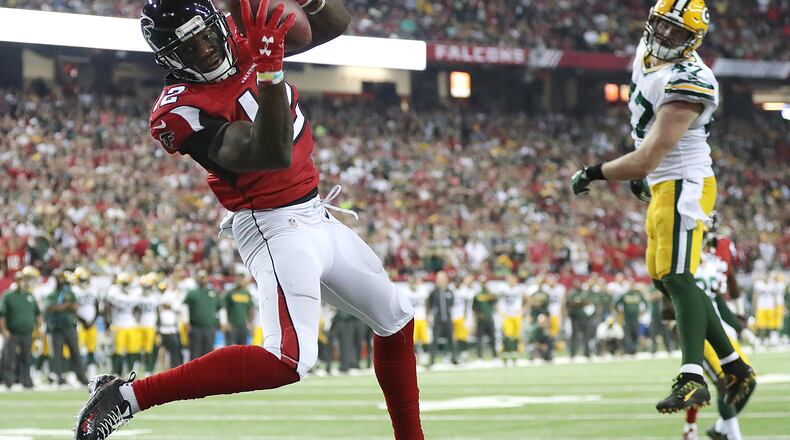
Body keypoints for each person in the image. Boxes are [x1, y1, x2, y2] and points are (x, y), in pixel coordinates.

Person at [75, 1, 422, 439]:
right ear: (168, 58)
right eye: (188, 47)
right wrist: (270, 67)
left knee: (395, 318)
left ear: (217, 26)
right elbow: (270, 154)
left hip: (316, 213)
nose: (203, 51)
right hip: (272, 225)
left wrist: (305, 10)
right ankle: (127, 397)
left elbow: (335, 25)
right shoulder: (179, 111)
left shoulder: (242, 46)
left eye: (204, 36)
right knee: (289, 359)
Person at [571, 0, 754, 413]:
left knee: (677, 275)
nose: (668, 36)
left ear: (695, 41)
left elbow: (647, 157)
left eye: (679, 32)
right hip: (662, 183)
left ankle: (693, 377)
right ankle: (735, 367)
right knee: (665, 279)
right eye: (664, 26)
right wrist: (643, 176)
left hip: (683, 181)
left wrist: (593, 172)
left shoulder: (691, 78)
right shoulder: (647, 52)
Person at [683, 242, 755, 440]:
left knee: (748, 379)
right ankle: (733, 435)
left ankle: (721, 428)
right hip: (698, 331)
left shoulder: (712, 263)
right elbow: (670, 304)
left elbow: (719, 302)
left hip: (719, 327)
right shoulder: (679, 264)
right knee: (726, 380)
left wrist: (742, 328)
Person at [46, 270, 90, 386]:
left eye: (62, 278)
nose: (61, 280)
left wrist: (64, 306)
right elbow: (51, 308)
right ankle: (59, 377)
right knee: (58, 354)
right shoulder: (52, 294)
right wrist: (66, 305)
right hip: (57, 327)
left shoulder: (70, 292)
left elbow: (75, 306)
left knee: (75, 352)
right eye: (58, 278)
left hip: (70, 326)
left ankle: (81, 376)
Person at [0, 266, 42, 389]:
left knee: (27, 358)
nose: (21, 282)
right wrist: (4, 330)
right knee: (10, 358)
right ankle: (8, 381)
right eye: (19, 279)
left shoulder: (29, 296)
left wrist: (39, 328)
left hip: (28, 332)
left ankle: (26, 381)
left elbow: (37, 314)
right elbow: (2, 315)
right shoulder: (8, 295)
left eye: (22, 279)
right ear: (15, 280)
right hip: (12, 332)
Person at [105, 273, 141, 377]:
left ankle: (130, 371)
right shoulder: (114, 292)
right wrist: (108, 324)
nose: (125, 285)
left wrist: (136, 319)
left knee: (132, 350)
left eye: (127, 283)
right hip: (118, 326)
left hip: (131, 326)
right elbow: (107, 309)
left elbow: (137, 308)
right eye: (124, 283)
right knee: (117, 351)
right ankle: (116, 372)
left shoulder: (134, 293)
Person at [183, 271, 221, 360]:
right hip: (196, 327)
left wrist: (222, 322)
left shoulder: (213, 293)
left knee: (209, 353)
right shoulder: (192, 293)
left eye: (204, 277)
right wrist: (186, 321)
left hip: (210, 327)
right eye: (201, 277)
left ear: (207, 278)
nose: (203, 279)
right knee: (195, 352)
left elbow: (220, 308)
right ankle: (193, 373)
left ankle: (207, 373)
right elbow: (185, 307)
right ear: (197, 278)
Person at [73, 266, 100, 374]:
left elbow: (97, 306)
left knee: (91, 348)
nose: (83, 282)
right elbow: (73, 309)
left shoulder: (93, 289)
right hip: (79, 323)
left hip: (91, 323)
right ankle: (78, 371)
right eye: (81, 279)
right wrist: (82, 320)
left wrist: (93, 320)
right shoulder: (74, 290)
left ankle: (91, 370)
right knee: (78, 349)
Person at [427, 271, 457, 365]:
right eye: (439, 279)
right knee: (434, 339)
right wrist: (429, 316)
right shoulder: (433, 292)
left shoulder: (449, 291)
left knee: (451, 339)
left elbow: (452, 305)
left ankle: (454, 358)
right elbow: (429, 305)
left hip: (447, 317)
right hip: (437, 318)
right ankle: (431, 360)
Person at [156, 278, 184, 369]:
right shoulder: (157, 297)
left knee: (174, 351)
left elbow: (177, 307)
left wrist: (169, 305)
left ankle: (174, 368)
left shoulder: (172, 295)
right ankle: (161, 368)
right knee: (161, 350)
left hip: (172, 329)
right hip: (162, 328)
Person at [615, 282, 647, 355]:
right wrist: (619, 312)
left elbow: (645, 302)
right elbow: (616, 304)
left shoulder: (638, 294)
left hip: (636, 318)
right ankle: (628, 350)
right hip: (627, 318)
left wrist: (644, 311)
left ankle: (634, 350)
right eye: (630, 285)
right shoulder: (625, 295)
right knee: (627, 335)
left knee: (635, 334)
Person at [566, 280, 595, 360]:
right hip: (575, 317)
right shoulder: (571, 293)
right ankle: (573, 353)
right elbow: (568, 303)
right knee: (574, 336)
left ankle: (587, 353)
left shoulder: (585, 293)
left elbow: (589, 302)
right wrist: (577, 303)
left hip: (584, 317)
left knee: (586, 335)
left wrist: (580, 302)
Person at [222, 273, 254, 346]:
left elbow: (250, 309)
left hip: (243, 325)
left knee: (242, 348)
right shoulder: (230, 293)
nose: (239, 281)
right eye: (237, 279)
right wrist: (225, 322)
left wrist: (250, 324)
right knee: (229, 349)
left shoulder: (247, 293)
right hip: (232, 325)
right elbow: (224, 308)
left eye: (241, 279)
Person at [472, 277, 497, 359]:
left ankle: (494, 355)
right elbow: (474, 309)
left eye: (485, 282)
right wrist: (475, 320)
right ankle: (479, 356)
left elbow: (495, 300)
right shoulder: (478, 295)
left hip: (489, 317)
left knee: (492, 337)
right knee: (479, 338)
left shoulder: (490, 294)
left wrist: (489, 290)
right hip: (481, 319)